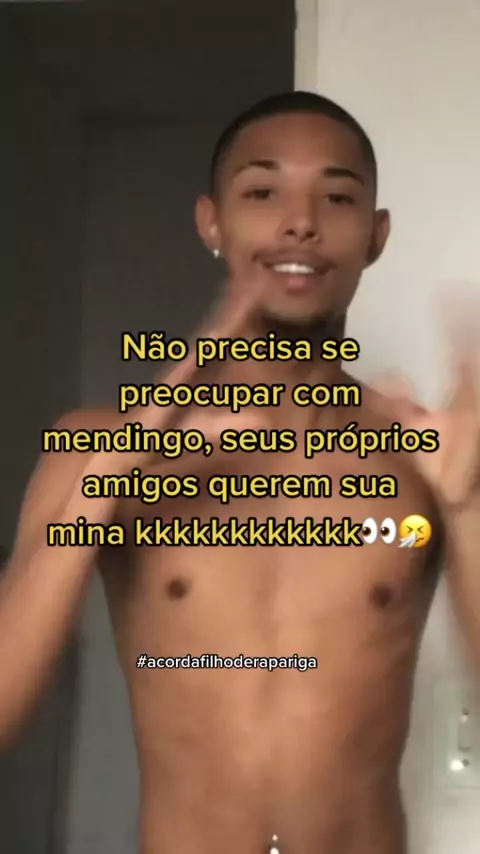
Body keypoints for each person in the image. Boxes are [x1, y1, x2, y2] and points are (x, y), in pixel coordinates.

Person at [1, 91, 479, 854]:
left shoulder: (427, 455)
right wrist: (103, 486)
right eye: (263, 192)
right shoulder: (95, 444)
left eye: (337, 197)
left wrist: (465, 508)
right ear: (211, 222)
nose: (301, 221)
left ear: (376, 234)